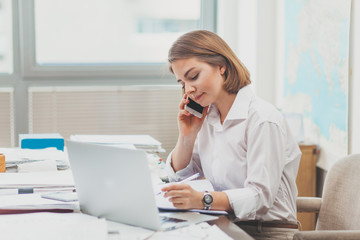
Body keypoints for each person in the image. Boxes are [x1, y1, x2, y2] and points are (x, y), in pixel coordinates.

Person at [161, 30, 302, 240]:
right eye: (182, 83)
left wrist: (202, 200)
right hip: (223, 223)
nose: (189, 89)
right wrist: (187, 136)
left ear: (221, 67)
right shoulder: (208, 117)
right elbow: (181, 176)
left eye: (193, 77)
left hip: (266, 231)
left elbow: (260, 196)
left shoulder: (262, 119)